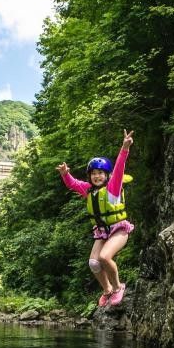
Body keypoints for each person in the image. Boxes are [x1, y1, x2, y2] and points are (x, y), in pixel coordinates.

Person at [56, 130, 135, 308]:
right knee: (93, 263)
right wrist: (65, 174)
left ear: (106, 176)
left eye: (100, 173)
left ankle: (118, 287)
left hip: (119, 230)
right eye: (93, 173)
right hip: (102, 232)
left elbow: (119, 168)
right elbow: (73, 184)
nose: (97, 176)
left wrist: (124, 148)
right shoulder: (89, 190)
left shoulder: (113, 188)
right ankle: (107, 290)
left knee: (105, 257)